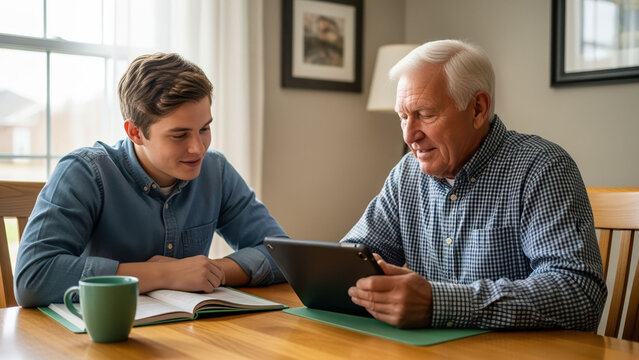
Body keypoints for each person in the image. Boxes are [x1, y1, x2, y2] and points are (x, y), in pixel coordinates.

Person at [341, 40, 607, 330]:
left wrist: (439, 302)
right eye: (403, 117)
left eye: (426, 114)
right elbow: (354, 253)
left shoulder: (541, 168)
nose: (410, 135)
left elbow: (580, 293)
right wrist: (358, 270)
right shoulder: (407, 174)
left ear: (478, 109)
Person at [14, 53, 287, 307]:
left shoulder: (216, 171)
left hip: (191, 337)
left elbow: (283, 256)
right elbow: (33, 277)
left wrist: (209, 272)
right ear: (135, 132)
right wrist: (162, 274)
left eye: (204, 128)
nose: (198, 148)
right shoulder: (84, 173)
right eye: (179, 135)